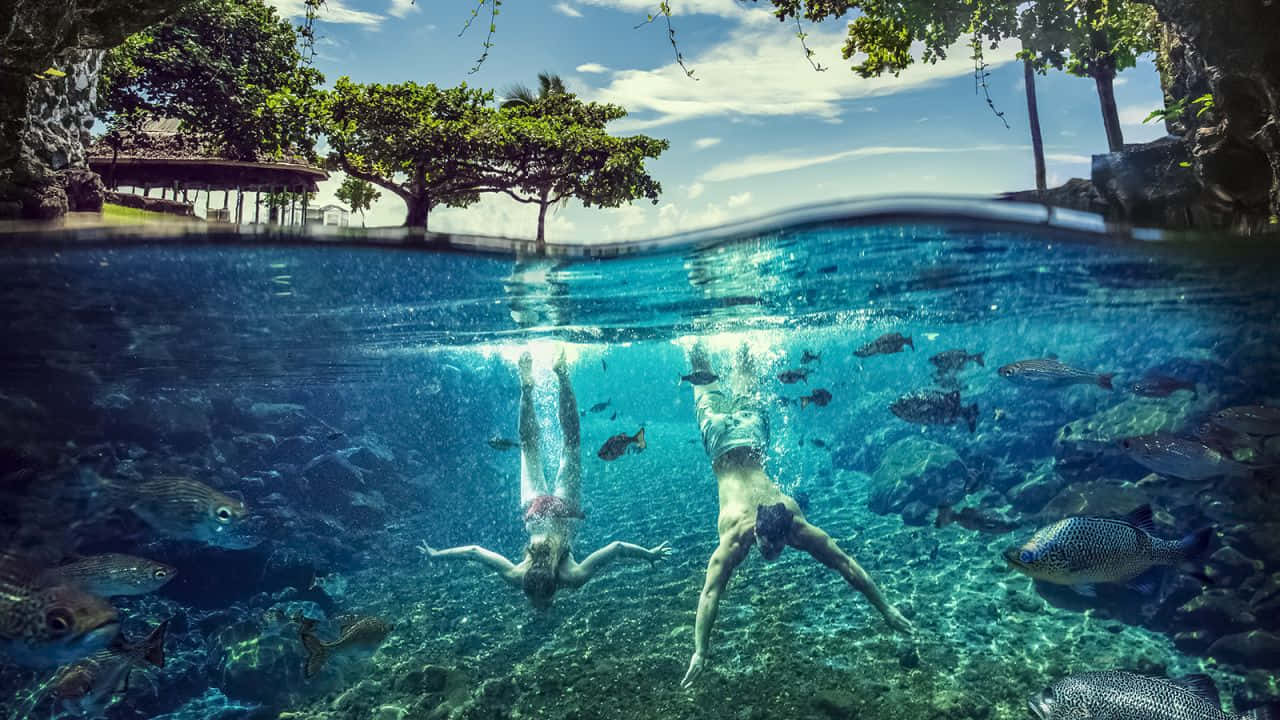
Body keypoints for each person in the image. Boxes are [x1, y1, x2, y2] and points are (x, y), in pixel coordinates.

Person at [680, 342, 913, 687]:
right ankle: (726, 335)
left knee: (720, 375)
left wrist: (888, 610)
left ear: (782, 533)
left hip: (741, 434)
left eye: (772, 548)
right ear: (756, 531)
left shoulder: (792, 525)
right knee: (716, 379)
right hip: (724, 438)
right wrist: (700, 650)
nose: (769, 552)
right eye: (766, 547)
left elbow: (846, 565)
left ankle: (708, 335)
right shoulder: (738, 535)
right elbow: (709, 593)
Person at [419, 350, 671, 609]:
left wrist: (648, 555)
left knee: (570, 443)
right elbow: (474, 551)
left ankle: (561, 373)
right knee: (529, 447)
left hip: (565, 512)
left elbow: (617, 547)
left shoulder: (572, 578)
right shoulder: (518, 576)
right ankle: (527, 388)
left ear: (553, 591)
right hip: (535, 511)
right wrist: (437, 555)